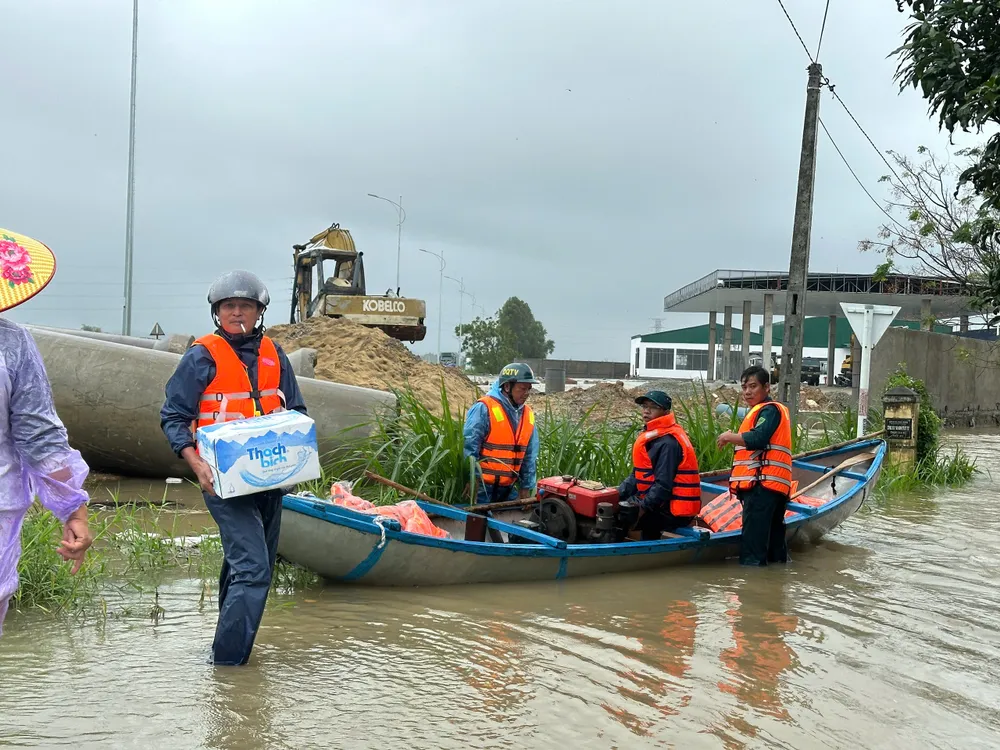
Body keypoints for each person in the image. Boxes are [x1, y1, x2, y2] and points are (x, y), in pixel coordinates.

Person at [160, 270, 307, 666]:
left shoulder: (275, 354)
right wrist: (195, 463)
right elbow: (174, 416)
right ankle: (229, 669)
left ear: (259, 312)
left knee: (245, 567)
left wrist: (295, 463)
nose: (237, 313)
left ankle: (221, 655)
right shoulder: (201, 356)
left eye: (245, 306)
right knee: (254, 570)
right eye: (229, 306)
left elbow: (296, 411)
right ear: (217, 312)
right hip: (222, 480)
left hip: (271, 480)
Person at [0, 228, 93, 636]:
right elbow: (39, 437)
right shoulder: (10, 345)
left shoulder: (12, 345)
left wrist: (73, 507)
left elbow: (40, 437)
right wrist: (74, 511)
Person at [716, 365, 793, 566]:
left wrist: (729, 437)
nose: (748, 392)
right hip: (772, 487)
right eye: (744, 387)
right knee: (774, 543)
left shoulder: (769, 410)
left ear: (766, 387)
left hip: (761, 486)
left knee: (753, 548)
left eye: (753, 386)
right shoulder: (766, 411)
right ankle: (777, 579)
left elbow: (758, 438)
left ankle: (752, 581)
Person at [617, 391, 701, 540]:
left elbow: (663, 485)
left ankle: (638, 549)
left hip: (672, 509)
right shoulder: (653, 439)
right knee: (618, 505)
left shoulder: (668, 443)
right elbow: (636, 476)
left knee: (625, 517)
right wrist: (616, 494)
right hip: (659, 503)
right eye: (645, 406)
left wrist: (642, 507)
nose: (647, 411)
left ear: (666, 412)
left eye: (653, 407)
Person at [463, 362, 540, 505]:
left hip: (508, 488)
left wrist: (526, 487)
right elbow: (469, 446)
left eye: (529, 389)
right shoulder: (484, 408)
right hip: (483, 488)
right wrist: (472, 479)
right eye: (522, 388)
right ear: (507, 387)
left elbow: (530, 455)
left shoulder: (527, 415)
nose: (527, 394)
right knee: (479, 519)